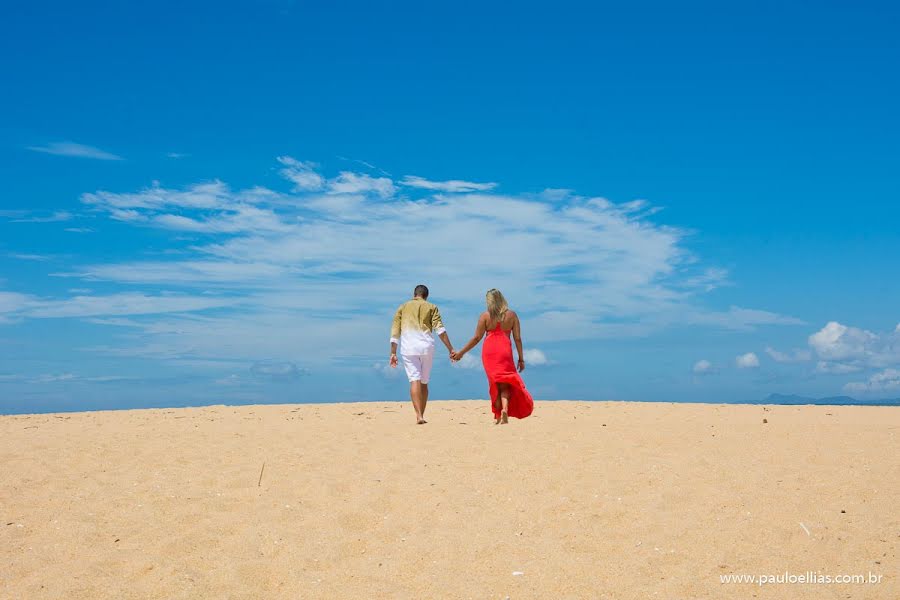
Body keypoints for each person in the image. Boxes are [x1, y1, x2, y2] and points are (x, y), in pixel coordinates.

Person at [451, 289, 534, 424]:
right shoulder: (512, 315)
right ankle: (505, 410)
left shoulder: (485, 316)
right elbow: (518, 339)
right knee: (505, 383)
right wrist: (521, 358)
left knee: (494, 384)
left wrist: (461, 353)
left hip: (490, 352)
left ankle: (497, 417)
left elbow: (477, 338)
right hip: (505, 351)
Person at [389, 284, 455, 424]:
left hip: (409, 348)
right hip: (426, 347)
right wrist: (450, 349)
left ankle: (418, 415)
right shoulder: (431, 307)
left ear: (414, 294)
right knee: (424, 381)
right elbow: (440, 330)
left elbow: (395, 331)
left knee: (414, 379)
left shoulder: (402, 307)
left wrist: (393, 352)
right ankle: (422, 415)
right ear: (426, 296)